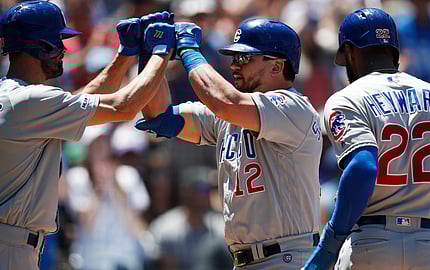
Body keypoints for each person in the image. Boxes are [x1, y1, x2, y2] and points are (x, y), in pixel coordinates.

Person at [0, 1, 177, 269]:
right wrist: (160, 51)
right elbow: (123, 106)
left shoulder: (18, 98)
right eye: (58, 41)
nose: (63, 51)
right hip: (10, 247)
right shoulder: (30, 100)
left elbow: (86, 99)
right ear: (42, 46)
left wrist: (125, 54)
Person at [135, 17, 324, 269]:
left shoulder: (294, 108)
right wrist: (152, 55)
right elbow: (159, 115)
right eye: (234, 57)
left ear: (277, 67)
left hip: (288, 257)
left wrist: (189, 51)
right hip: (244, 260)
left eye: (244, 58)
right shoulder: (229, 114)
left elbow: (225, 101)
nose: (234, 64)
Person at [303, 7, 430, 270]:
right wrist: (419, 203)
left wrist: (331, 240)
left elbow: (363, 167)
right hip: (429, 245)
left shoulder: (347, 98)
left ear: (350, 52)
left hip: (372, 242)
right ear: (394, 51)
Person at [148, 165, 230, 269]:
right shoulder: (165, 228)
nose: (207, 194)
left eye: (209, 189)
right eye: (202, 189)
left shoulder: (219, 226)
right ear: (187, 192)